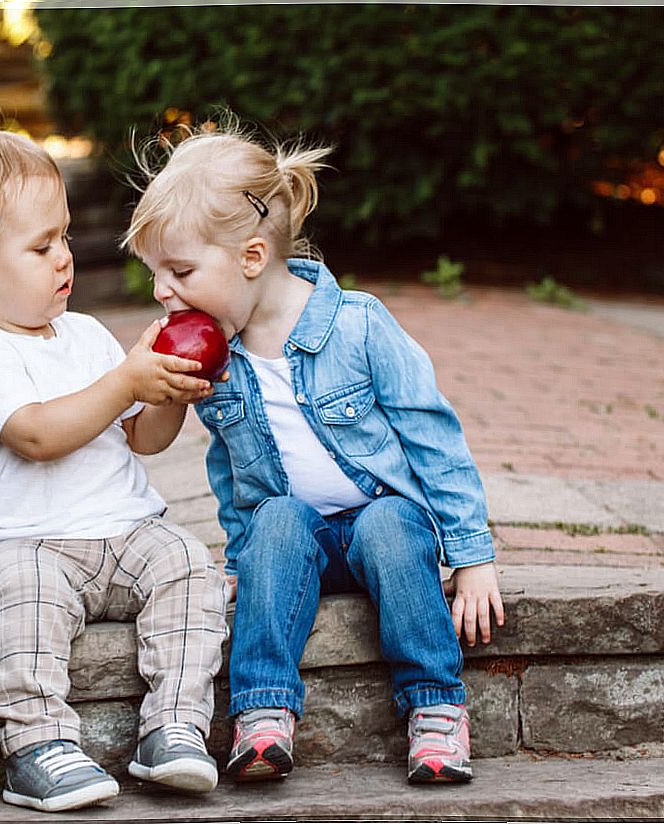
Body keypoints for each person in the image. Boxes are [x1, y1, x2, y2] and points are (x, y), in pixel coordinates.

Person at [123, 118, 504, 785]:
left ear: (250, 258)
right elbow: (231, 468)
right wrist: (245, 558)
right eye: (156, 273)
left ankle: (436, 707)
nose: (161, 291)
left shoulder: (358, 324)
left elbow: (434, 439)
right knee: (274, 519)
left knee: (388, 525)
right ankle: (264, 715)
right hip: (300, 540)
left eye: (179, 271)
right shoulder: (221, 360)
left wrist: (472, 558)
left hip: (387, 529)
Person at [0, 114, 229, 813]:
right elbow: (36, 435)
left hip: (125, 530)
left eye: (66, 238)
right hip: (30, 542)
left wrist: (167, 387)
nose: (65, 258)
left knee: (195, 568)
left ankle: (172, 726)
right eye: (42, 245)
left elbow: (142, 438)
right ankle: (37, 744)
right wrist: (125, 383)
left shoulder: (85, 334)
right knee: (23, 597)